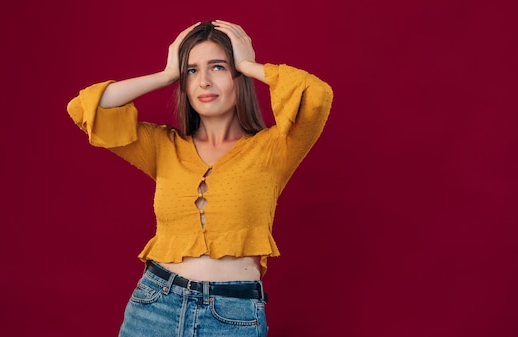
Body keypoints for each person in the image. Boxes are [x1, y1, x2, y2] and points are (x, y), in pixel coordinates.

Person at [66, 20, 333, 336]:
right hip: (154, 304)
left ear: (238, 77)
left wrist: (247, 63)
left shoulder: (274, 148)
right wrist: (167, 73)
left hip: (233, 315)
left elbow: (316, 96)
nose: (204, 81)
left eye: (218, 67)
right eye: (192, 71)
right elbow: (83, 108)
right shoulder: (164, 147)